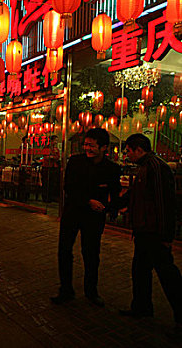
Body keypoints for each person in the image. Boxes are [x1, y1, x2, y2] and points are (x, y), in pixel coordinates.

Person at [51, 128, 121, 307]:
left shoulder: (111, 168)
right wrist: (88, 200)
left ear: (104, 147)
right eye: (86, 144)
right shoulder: (75, 162)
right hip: (73, 212)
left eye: (91, 145)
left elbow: (115, 192)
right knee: (65, 251)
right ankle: (66, 290)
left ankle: (91, 291)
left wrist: (113, 210)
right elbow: (69, 187)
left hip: (94, 217)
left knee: (91, 254)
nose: (87, 148)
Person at [119, 134, 181, 334]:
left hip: (154, 232)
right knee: (140, 270)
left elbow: (165, 203)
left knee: (168, 275)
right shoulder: (145, 167)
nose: (126, 155)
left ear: (138, 149)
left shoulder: (156, 167)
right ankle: (142, 307)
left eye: (128, 150)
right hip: (144, 230)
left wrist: (165, 236)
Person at [42, 135, 60, 202]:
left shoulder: (56, 149)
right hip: (47, 167)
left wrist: (52, 157)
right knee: (46, 183)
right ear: (51, 141)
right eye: (55, 140)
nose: (56, 142)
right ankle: (45, 197)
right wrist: (52, 157)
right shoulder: (46, 148)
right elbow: (46, 157)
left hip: (54, 167)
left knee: (52, 183)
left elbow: (58, 157)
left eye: (57, 141)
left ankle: (51, 197)